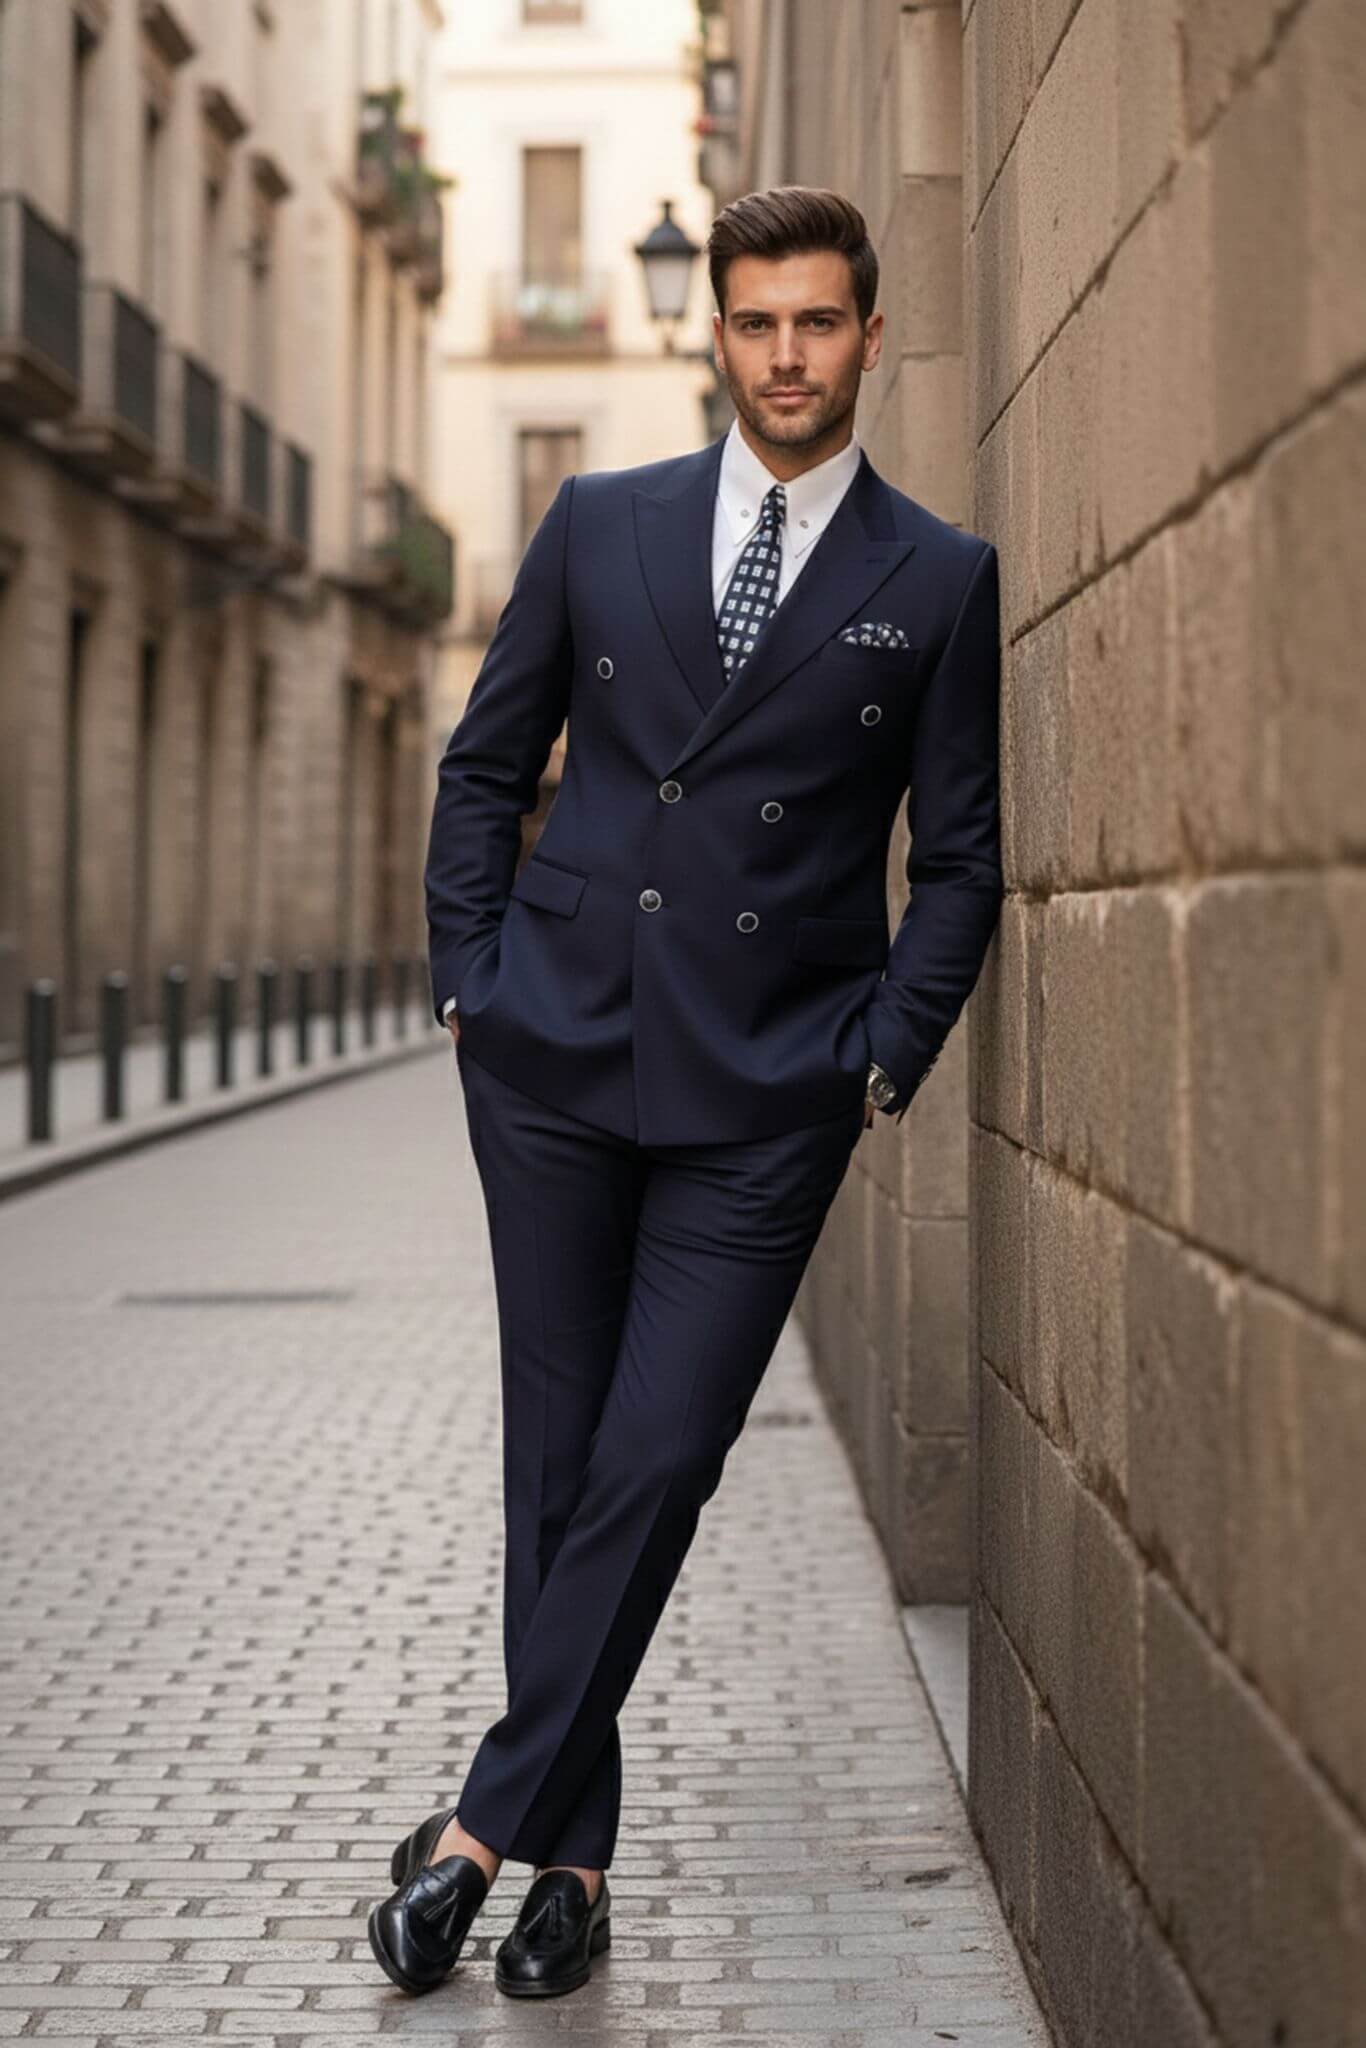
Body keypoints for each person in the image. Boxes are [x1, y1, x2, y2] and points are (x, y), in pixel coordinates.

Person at [367, 185, 1003, 2002]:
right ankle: (570, 1872)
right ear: (714, 332)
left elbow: (961, 860)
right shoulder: (602, 522)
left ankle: (473, 1831)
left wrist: (881, 1056)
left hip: (769, 1086)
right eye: (755, 322)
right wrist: (470, 983)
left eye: (819, 322)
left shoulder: (935, 577)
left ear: (868, 335)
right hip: (553, 1058)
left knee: (659, 1456)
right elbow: (485, 767)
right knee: (559, 1467)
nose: (787, 357)